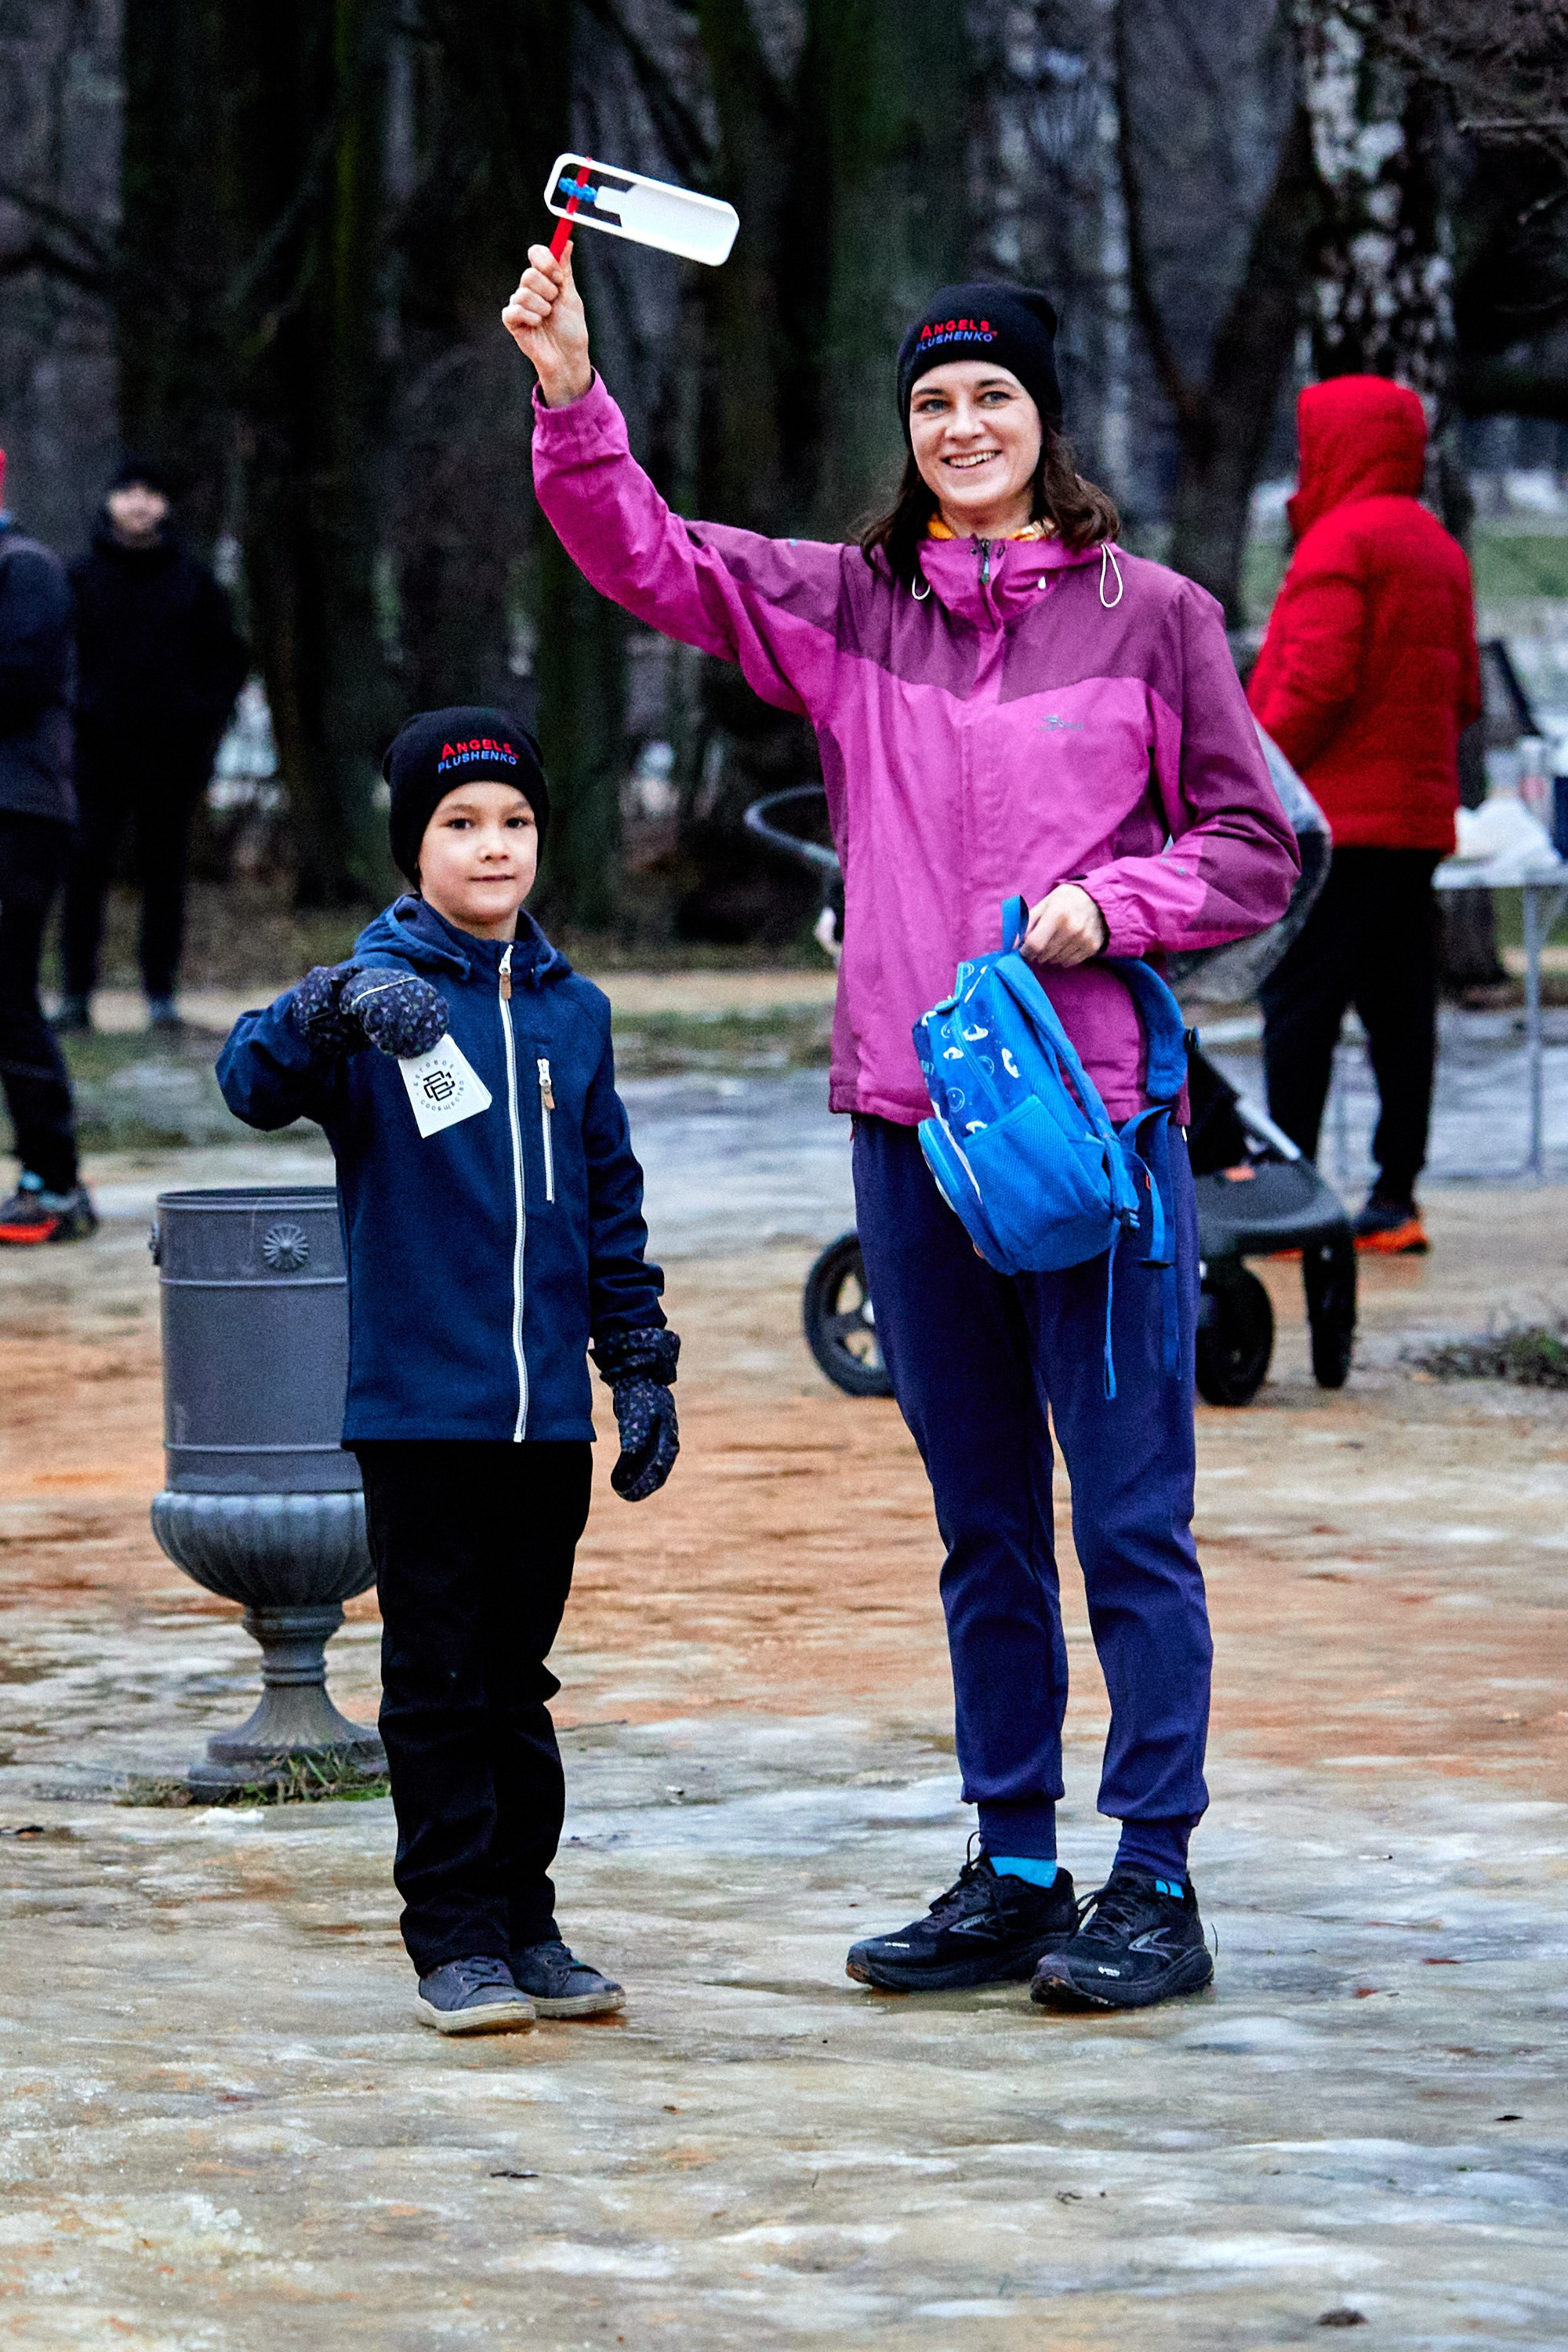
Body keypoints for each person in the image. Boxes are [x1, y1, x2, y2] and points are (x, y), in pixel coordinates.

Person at [505, 250, 1297, 2013]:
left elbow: (1257, 847)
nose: (962, 426)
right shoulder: (855, 607)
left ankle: (1155, 1881)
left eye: (992, 396)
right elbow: (654, 555)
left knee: (1131, 1519)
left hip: (1095, 1132)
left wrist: (1118, 906)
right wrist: (570, 393)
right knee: (982, 1518)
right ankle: (1014, 1866)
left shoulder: (1156, 615)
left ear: (1043, 418)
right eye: (934, 402)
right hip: (912, 1122)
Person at [217, 707, 679, 2034]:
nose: (493, 847)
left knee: (518, 1682)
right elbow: (246, 1079)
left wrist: (637, 1362)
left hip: (548, 1426)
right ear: (412, 847)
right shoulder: (377, 1004)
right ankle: (456, 1941)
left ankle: (528, 1923)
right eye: (460, 823)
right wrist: (327, 1007)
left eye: (515, 822)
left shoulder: (575, 1014)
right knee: (437, 1682)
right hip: (421, 1418)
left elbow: (610, 1203)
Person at [1248, 376, 1483, 1254]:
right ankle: (1394, 1199)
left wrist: (1246, 766)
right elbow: (1465, 692)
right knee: (1400, 1014)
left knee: (1299, 1007)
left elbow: (1313, 684)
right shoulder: (1438, 549)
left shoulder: (1338, 543)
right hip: (1414, 827)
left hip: (1332, 827)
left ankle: (1290, 1196)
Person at [59, 456, 248, 1032]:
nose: (138, 503)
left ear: (164, 505)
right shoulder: (79, 578)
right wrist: (76, 719)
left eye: (150, 492)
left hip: (170, 759)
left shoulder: (193, 582)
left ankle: (160, 994)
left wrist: (198, 725)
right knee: (84, 873)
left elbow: (226, 661)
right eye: (128, 491)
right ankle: (75, 995)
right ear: (111, 501)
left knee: (165, 876)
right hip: (94, 755)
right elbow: (58, 657)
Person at [0, 443, 95, 1244]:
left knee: (6, 993)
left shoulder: (25, 567)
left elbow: (19, 679)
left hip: (17, 812)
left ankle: (55, 1183)